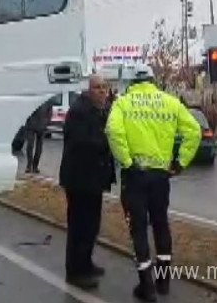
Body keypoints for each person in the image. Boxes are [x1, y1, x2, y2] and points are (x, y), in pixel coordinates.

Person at [106, 64, 201, 302]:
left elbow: (113, 131)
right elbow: (194, 131)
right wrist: (180, 163)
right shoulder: (170, 102)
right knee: (161, 224)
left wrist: (127, 161)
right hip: (161, 175)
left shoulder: (123, 102)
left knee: (138, 228)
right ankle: (163, 281)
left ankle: (146, 287)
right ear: (151, 79)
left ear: (130, 82)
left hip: (135, 175)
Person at [58, 74, 115, 289]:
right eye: (98, 88)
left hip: (93, 178)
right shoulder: (79, 111)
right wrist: (109, 141)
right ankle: (75, 270)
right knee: (79, 226)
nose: (102, 91)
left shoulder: (102, 110)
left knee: (92, 225)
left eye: (104, 87)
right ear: (89, 90)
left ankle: (86, 263)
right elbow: (83, 142)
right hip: (79, 178)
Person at [24, 98, 54, 173]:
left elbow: (50, 112)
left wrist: (47, 122)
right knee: (30, 146)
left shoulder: (47, 100)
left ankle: (35, 166)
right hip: (31, 125)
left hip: (41, 126)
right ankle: (29, 165)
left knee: (38, 147)